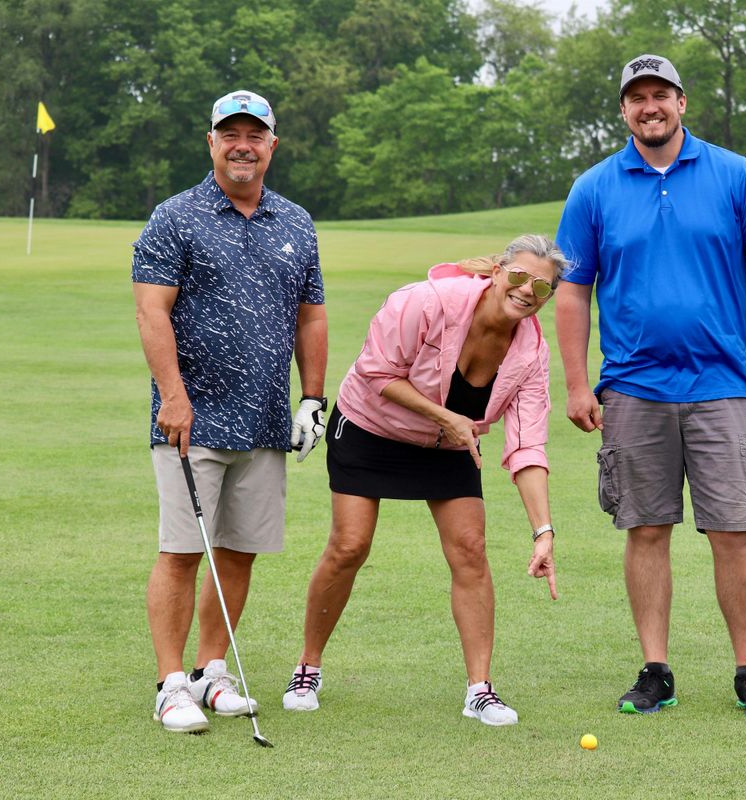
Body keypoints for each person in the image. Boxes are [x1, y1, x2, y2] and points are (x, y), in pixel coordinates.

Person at [554, 54, 746, 718]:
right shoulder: (595, 188)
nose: (650, 107)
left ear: (682, 102)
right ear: (624, 110)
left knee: (734, 530)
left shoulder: (733, 174)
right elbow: (573, 292)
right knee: (645, 529)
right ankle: (656, 669)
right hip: (632, 387)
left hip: (721, 382)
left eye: (660, 94)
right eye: (637, 97)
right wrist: (577, 384)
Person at [282, 234, 562, 727]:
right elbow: (376, 373)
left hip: (449, 443)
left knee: (470, 548)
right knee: (350, 545)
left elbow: (526, 447)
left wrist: (543, 532)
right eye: (519, 276)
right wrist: (446, 416)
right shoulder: (426, 302)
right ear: (498, 272)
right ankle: (308, 667)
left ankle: (479, 690)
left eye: (541, 287)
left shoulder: (531, 352)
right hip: (371, 426)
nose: (526, 291)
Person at [133, 89, 328, 734]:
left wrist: (311, 397)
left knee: (239, 551)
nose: (243, 146)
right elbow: (152, 311)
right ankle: (170, 686)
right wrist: (173, 394)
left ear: (272, 144)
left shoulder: (296, 222)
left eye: (255, 135)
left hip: (265, 420)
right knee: (182, 552)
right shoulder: (175, 217)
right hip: (190, 419)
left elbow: (311, 316)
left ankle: (210, 671)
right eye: (231, 135)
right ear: (211, 142)